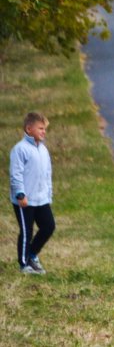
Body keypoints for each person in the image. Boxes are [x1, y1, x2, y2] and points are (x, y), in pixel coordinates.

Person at [9, 112, 56, 274]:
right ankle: (24, 264)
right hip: (25, 200)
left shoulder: (43, 150)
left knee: (49, 226)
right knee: (27, 231)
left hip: (41, 198)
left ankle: (32, 254)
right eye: (40, 128)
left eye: (45, 129)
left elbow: (47, 174)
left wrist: (48, 194)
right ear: (29, 129)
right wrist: (20, 194)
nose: (43, 132)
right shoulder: (20, 149)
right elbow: (16, 174)